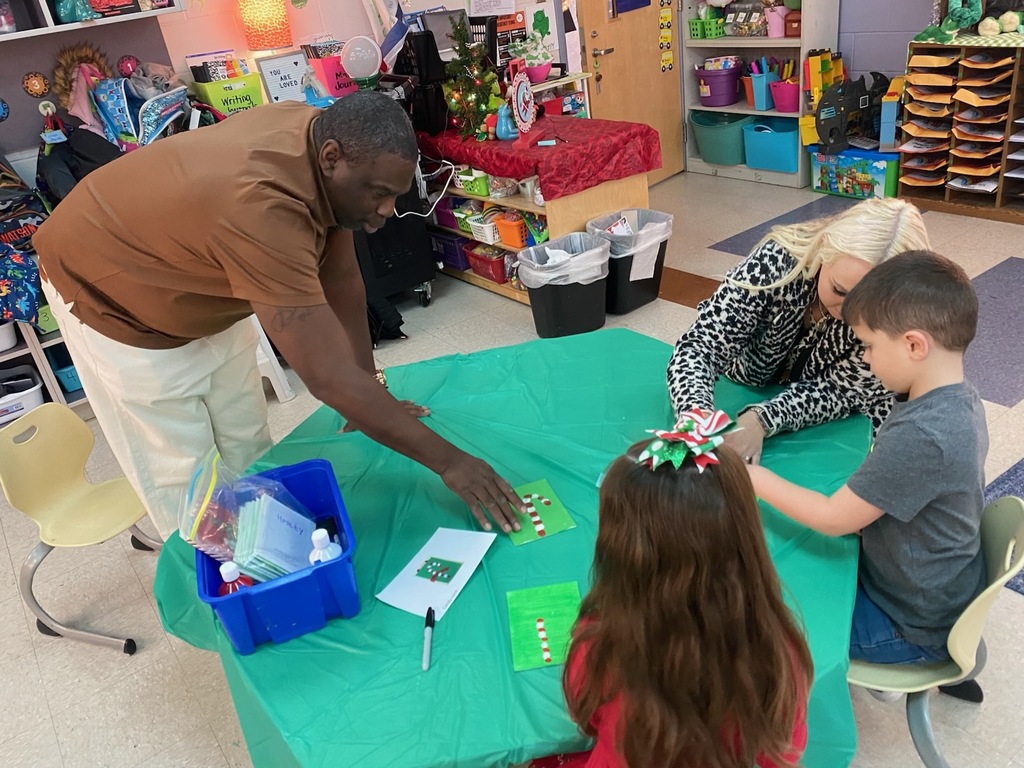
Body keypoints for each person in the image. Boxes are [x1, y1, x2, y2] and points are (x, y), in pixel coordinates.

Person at [32, 93, 524, 541]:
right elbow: (326, 379)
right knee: (190, 485)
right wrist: (451, 463)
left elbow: (343, 282)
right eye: (378, 193)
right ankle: (226, 612)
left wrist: (368, 390)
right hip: (110, 296)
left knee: (249, 446)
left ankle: (265, 550)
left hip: (196, 280)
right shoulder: (260, 205)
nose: (387, 211)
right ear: (332, 158)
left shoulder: (321, 141)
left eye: (394, 194)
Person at [746, 251, 987, 700]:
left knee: (754, 615)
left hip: (907, 622)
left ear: (914, 345)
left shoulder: (925, 434)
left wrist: (752, 479)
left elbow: (837, 519)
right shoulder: (959, 398)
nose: (865, 359)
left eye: (870, 346)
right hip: (935, 587)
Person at [541, 413, 813, 768]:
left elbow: (587, 719)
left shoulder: (599, 647)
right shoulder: (779, 654)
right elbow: (786, 751)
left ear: (622, 553)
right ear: (745, 539)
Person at [666, 197, 931, 465]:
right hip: (745, 383)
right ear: (824, 250)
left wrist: (763, 419)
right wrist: (695, 417)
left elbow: (841, 392)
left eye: (870, 307)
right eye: (839, 290)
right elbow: (700, 346)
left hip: (844, 420)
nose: (849, 313)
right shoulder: (775, 263)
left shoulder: (900, 317)